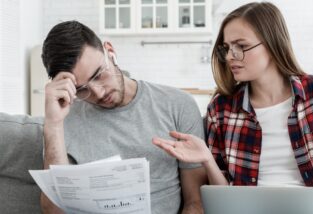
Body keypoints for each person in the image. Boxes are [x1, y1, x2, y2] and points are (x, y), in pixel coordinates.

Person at [153, 2, 313, 193]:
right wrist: (207, 160)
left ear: (272, 43)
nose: (230, 56)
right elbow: (225, 199)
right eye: (227, 48)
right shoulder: (221, 109)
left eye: (242, 46)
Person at [40, 21, 207, 214]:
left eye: (98, 74)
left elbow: (196, 203)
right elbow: (53, 211)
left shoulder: (177, 104)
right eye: (82, 89)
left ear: (110, 51)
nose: (99, 93)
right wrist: (53, 125)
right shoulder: (62, 121)